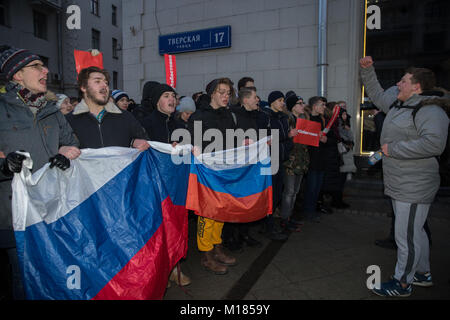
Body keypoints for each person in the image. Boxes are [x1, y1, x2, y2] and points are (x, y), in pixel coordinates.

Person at [360, 56, 449, 297]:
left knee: (406, 236)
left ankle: (402, 283)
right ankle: (422, 273)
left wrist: (392, 149)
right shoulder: (402, 104)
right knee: (415, 232)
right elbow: (378, 96)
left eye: (403, 81)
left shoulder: (430, 110)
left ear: (416, 86)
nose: (398, 84)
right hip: (403, 181)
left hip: (414, 184)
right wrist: (368, 71)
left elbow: (434, 144)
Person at [0, 46, 81, 299]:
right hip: (14, 213)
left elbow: (73, 143)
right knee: (23, 277)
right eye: (36, 66)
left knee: (51, 270)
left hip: (52, 208)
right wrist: (4, 166)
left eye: (43, 65)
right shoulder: (2, 110)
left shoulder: (51, 109)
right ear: (17, 75)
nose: (45, 70)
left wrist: (65, 154)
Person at [188, 77, 237, 275]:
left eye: (228, 93)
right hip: (206, 173)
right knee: (206, 215)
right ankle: (206, 254)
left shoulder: (228, 115)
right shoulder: (198, 116)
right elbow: (193, 144)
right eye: (222, 92)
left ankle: (217, 247)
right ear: (212, 94)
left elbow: (232, 141)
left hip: (224, 171)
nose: (226, 96)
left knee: (220, 212)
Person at [65, 66, 149, 151]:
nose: (104, 86)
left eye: (106, 83)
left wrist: (134, 142)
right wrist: (63, 149)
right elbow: (56, 149)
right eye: (97, 81)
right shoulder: (68, 121)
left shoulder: (126, 117)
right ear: (83, 87)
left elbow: (146, 143)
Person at [222, 86, 263, 251]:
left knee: (247, 200)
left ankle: (244, 234)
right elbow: (227, 139)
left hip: (250, 167)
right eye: (255, 97)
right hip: (236, 167)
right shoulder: (234, 116)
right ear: (245, 100)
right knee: (234, 202)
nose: (257, 100)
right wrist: (241, 143)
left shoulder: (254, 116)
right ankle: (229, 237)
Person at [257, 91, 296, 241]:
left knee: (278, 194)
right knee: (270, 196)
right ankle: (268, 227)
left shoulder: (283, 117)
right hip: (268, 160)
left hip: (280, 158)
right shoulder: (265, 116)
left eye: (283, 100)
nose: (283, 103)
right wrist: (287, 136)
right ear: (272, 101)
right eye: (280, 100)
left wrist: (287, 143)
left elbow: (284, 138)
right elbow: (266, 138)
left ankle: (268, 224)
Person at [280, 95, 310, 231]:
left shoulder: (303, 119)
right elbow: (283, 137)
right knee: (289, 191)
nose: (303, 105)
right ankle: (284, 219)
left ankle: (289, 217)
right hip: (290, 161)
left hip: (301, 160)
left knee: (295, 191)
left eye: (303, 103)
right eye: (299, 103)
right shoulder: (288, 119)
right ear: (292, 106)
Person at [302, 96, 329, 223]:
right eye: (322, 105)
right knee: (311, 188)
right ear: (314, 106)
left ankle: (312, 210)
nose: (324, 107)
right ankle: (308, 212)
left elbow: (328, 138)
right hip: (311, 159)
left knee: (317, 188)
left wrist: (325, 139)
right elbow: (302, 139)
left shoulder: (322, 119)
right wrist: (315, 138)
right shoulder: (306, 118)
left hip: (321, 159)